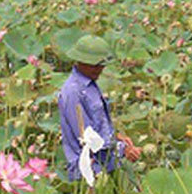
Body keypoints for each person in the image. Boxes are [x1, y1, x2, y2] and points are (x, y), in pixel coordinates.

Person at [58, 34, 140, 182]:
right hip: (88, 171)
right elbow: (87, 138)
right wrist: (122, 150)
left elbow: (98, 125)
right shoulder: (73, 92)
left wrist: (117, 137)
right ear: (80, 61)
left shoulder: (90, 85)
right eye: (94, 65)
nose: (99, 69)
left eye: (101, 65)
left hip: (106, 165)